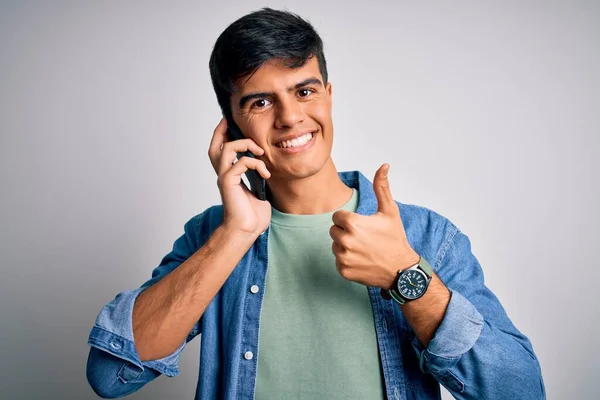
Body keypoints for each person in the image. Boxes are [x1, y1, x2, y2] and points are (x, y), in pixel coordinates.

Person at [86, 8, 545, 400]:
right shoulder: (212, 236)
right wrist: (236, 232)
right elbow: (110, 376)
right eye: (261, 102)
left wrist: (407, 275)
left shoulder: (426, 236)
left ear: (328, 95)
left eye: (304, 91)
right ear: (230, 127)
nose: (290, 118)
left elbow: (521, 390)